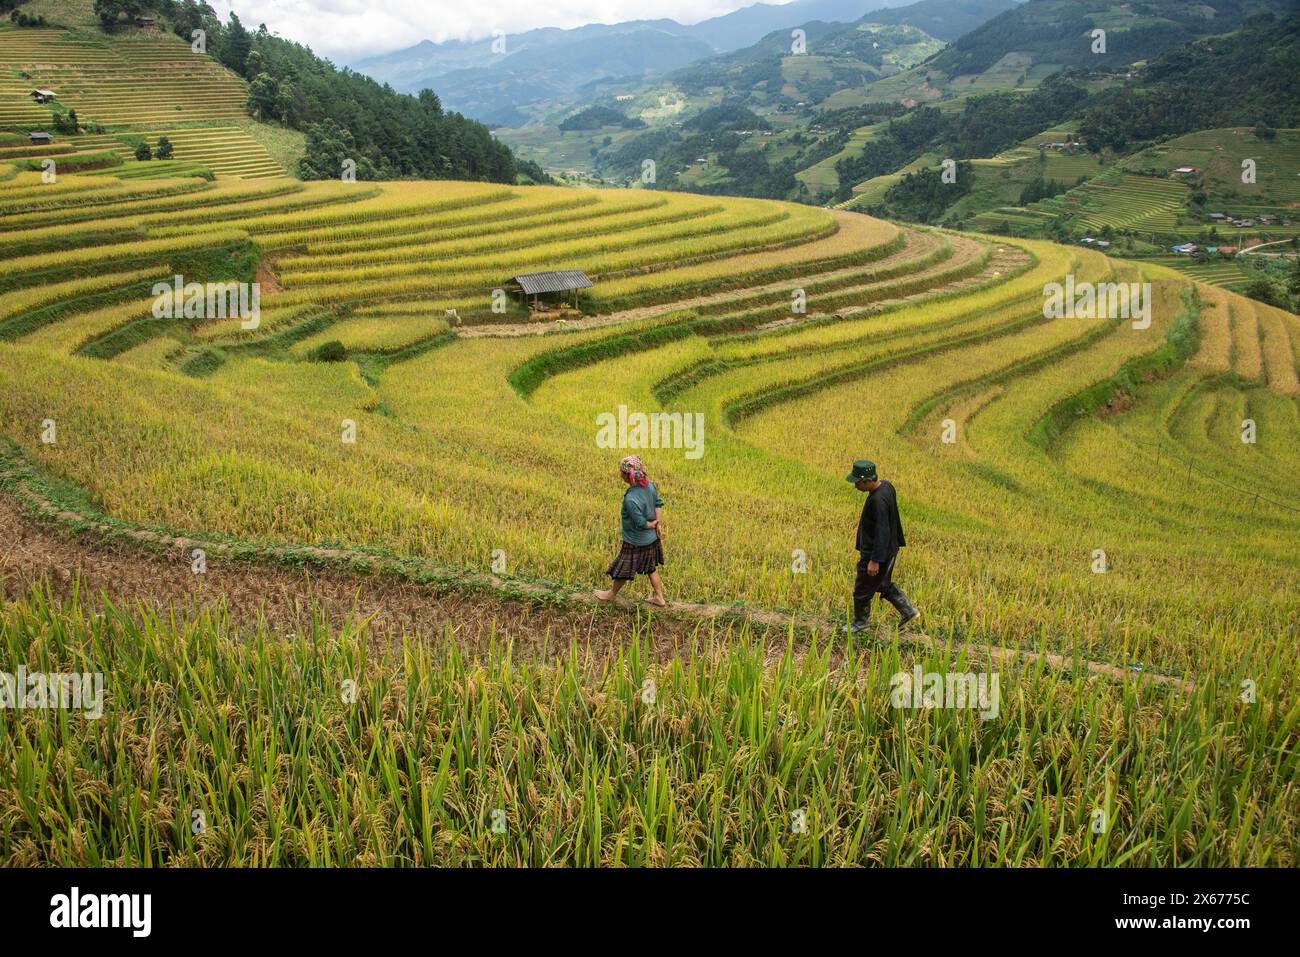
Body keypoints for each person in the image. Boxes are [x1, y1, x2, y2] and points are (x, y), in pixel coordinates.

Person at [845, 459, 920, 633]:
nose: (855, 486)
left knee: (862, 588)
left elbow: (882, 531)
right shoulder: (887, 486)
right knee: (882, 583)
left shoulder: (877, 501)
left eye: (857, 482)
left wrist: (875, 560)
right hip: (890, 549)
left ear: (868, 481)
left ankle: (860, 622)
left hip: (877, 553)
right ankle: (908, 611)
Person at [595, 455, 667, 607]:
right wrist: (658, 524)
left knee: (624, 568)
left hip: (635, 540)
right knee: (651, 569)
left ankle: (611, 594)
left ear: (627, 477)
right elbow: (658, 503)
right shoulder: (650, 486)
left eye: (621, 472)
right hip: (651, 540)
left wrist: (652, 525)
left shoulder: (631, 499)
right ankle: (660, 598)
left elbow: (640, 523)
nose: (619, 474)